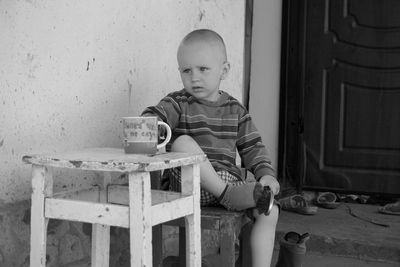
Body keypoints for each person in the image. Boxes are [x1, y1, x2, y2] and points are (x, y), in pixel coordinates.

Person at [142, 29, 280, 266]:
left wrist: (266, 175)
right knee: (182, 142)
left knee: (270, 211)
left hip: (227, 180)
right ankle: (227, 195)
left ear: (224, 71)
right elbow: (153, 115)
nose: (194, 77)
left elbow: (253, 147)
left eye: (203, 69)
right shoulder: (177, 102)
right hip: (187, 183)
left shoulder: (235, 110)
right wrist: (151, 125)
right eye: (186, 70)